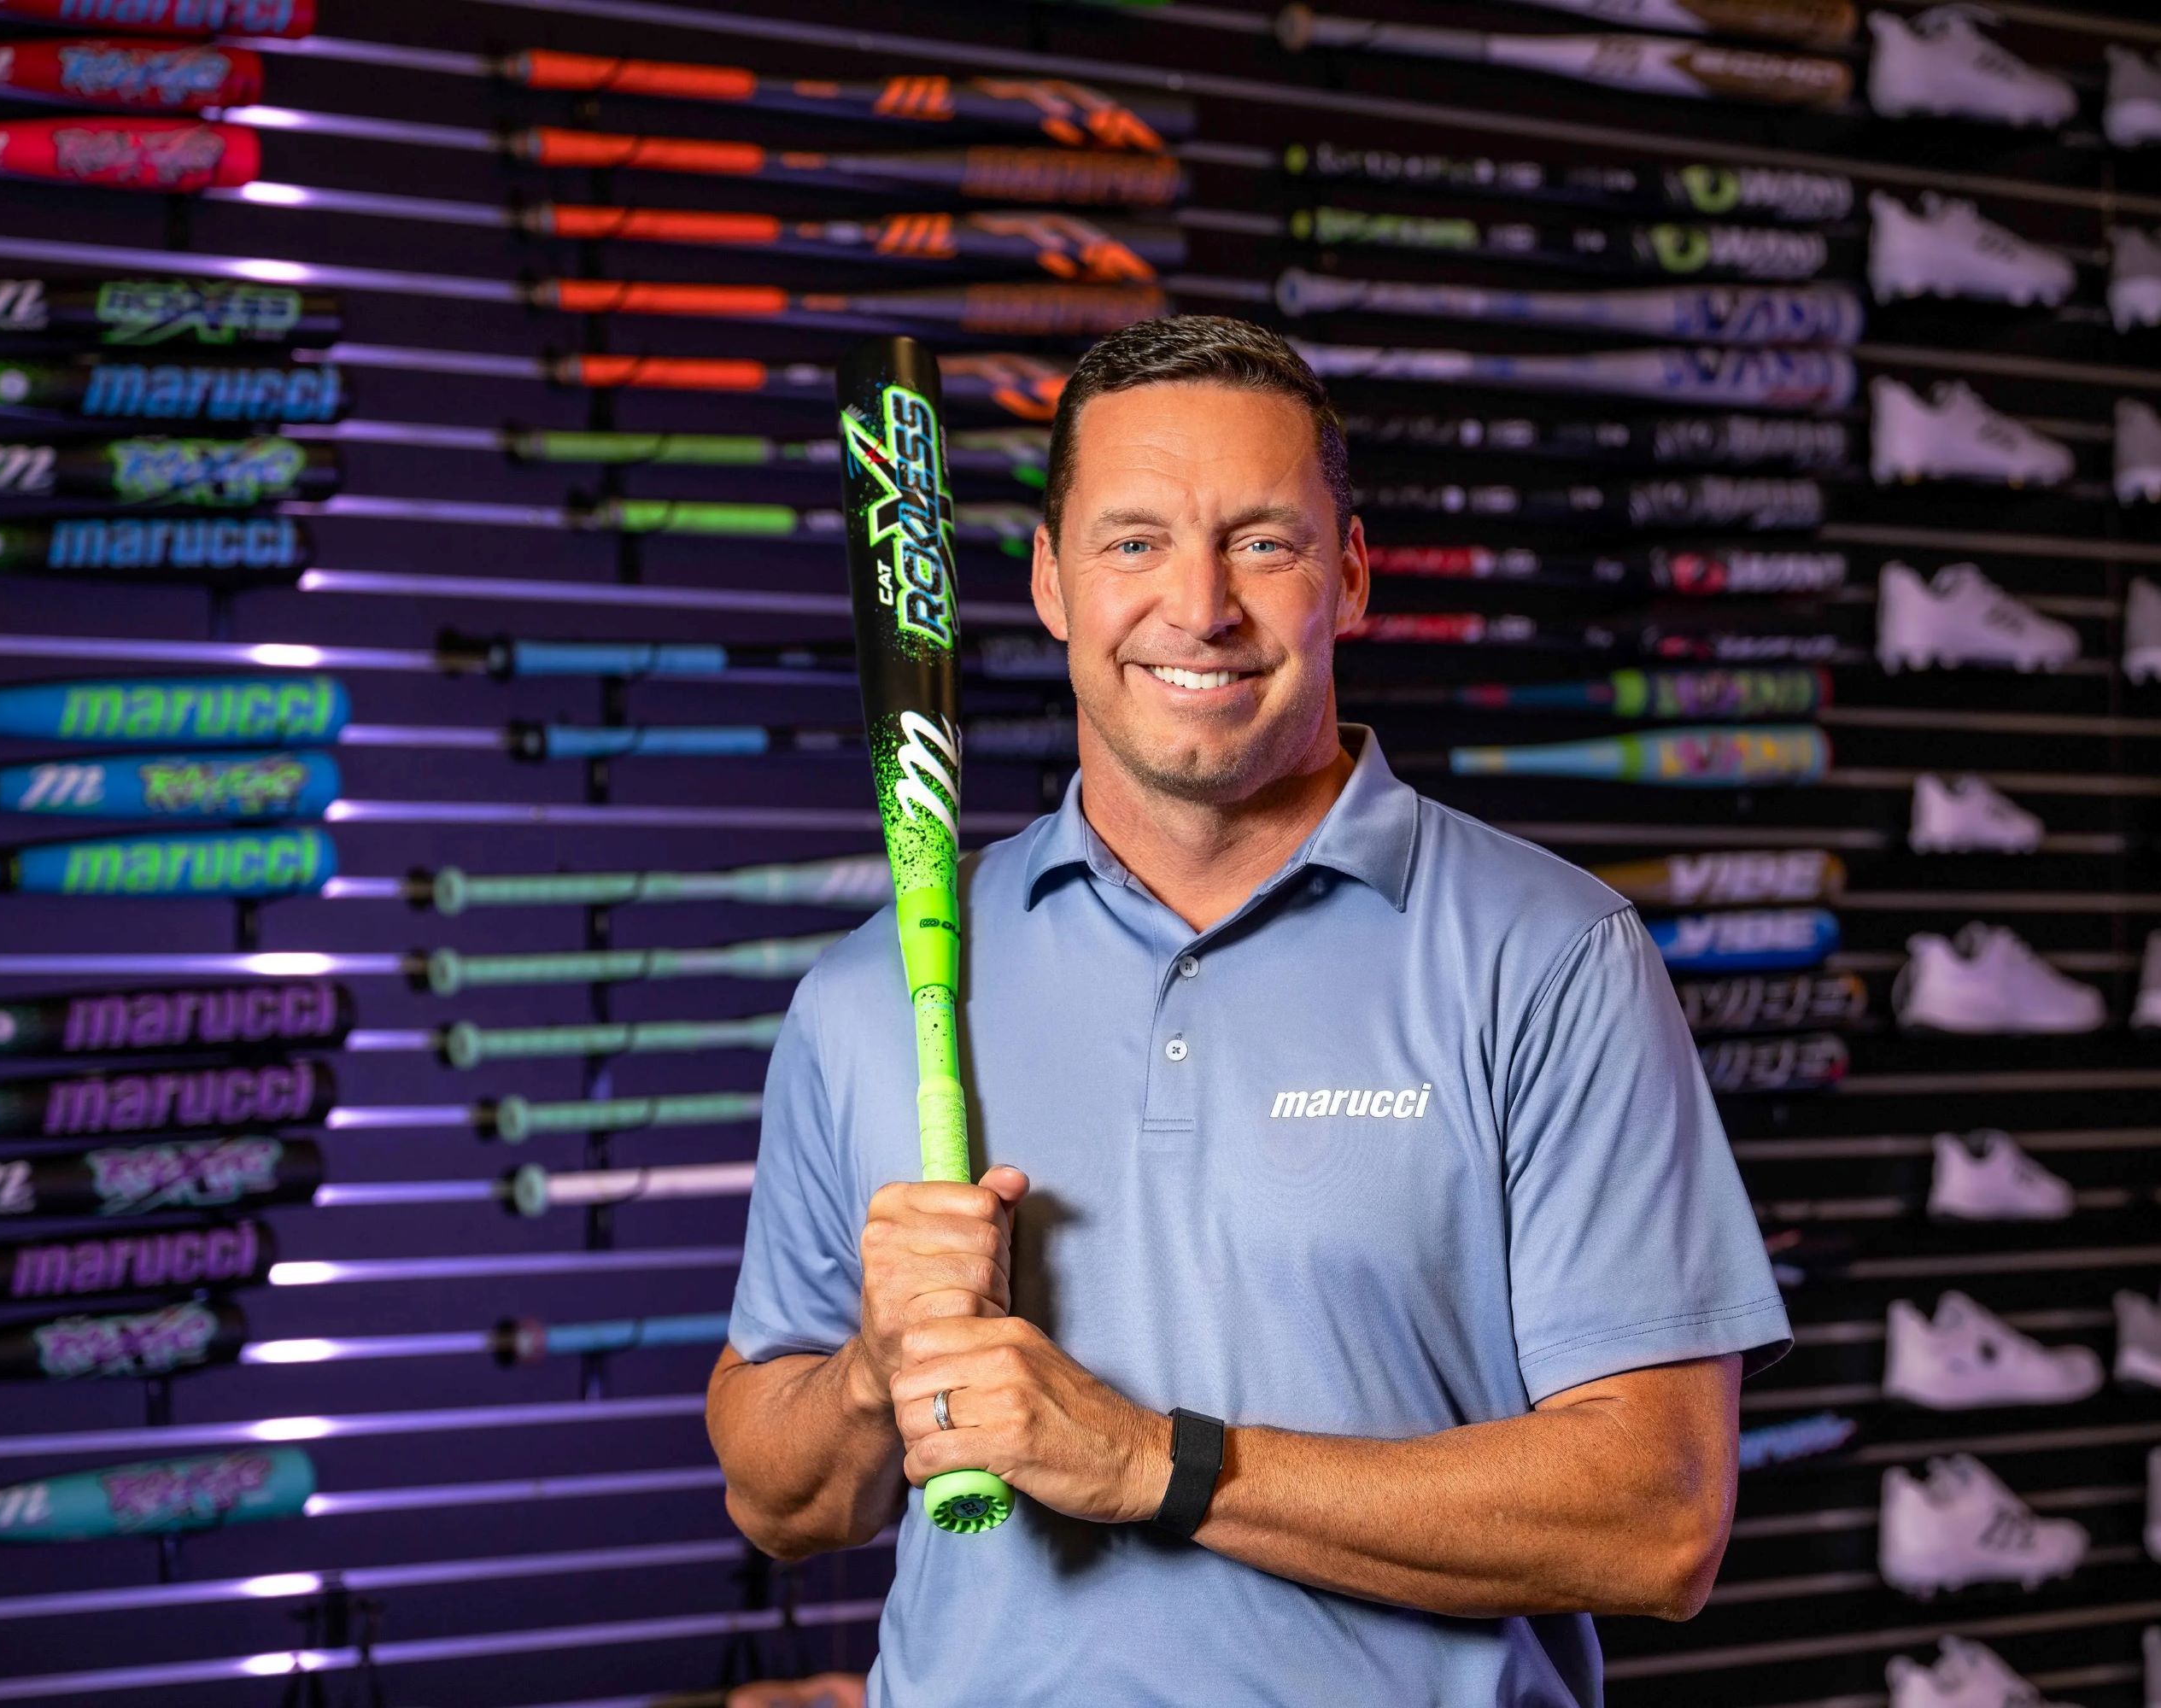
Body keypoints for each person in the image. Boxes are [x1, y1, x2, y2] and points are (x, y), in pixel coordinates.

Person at [706, 315, 1789, 1707]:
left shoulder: (1547, 958)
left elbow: (1658, 1517)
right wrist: (875, 1375)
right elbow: (778, 1499)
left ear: (1347, 577)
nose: (1199, 606)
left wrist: (1153, 1462)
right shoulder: (870, 992)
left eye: (1263, 543)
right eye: (1134, 541)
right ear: (1050, 582)